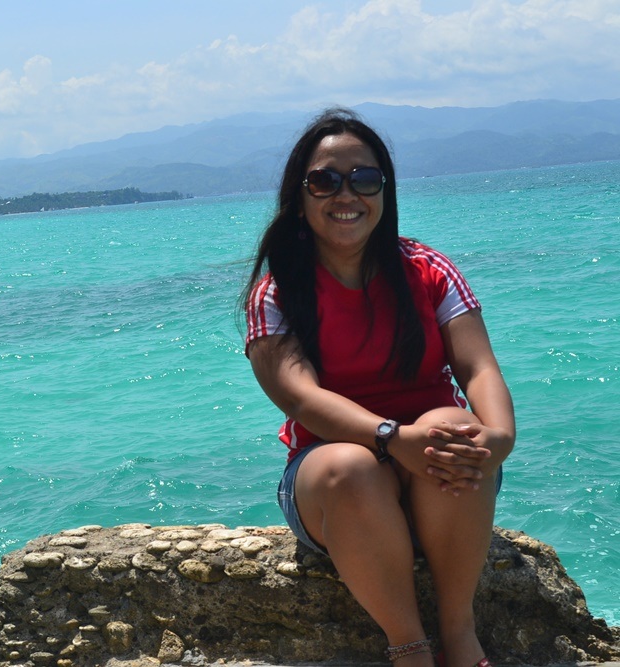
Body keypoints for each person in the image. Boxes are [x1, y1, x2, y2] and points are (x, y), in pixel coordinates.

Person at [242, 108, 515, 667]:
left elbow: (479, 369)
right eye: (325, 180)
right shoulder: (278, 291)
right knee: (352, 465)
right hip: (333, 485)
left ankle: (460, 634)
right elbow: (300, 397)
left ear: (384, 191)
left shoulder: (428, 269)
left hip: (434, 473)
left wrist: (501, 437)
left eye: (364, 179)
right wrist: (392, 438)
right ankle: (410, 648)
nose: (347, 194)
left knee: (458, 426)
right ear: (300, 195)